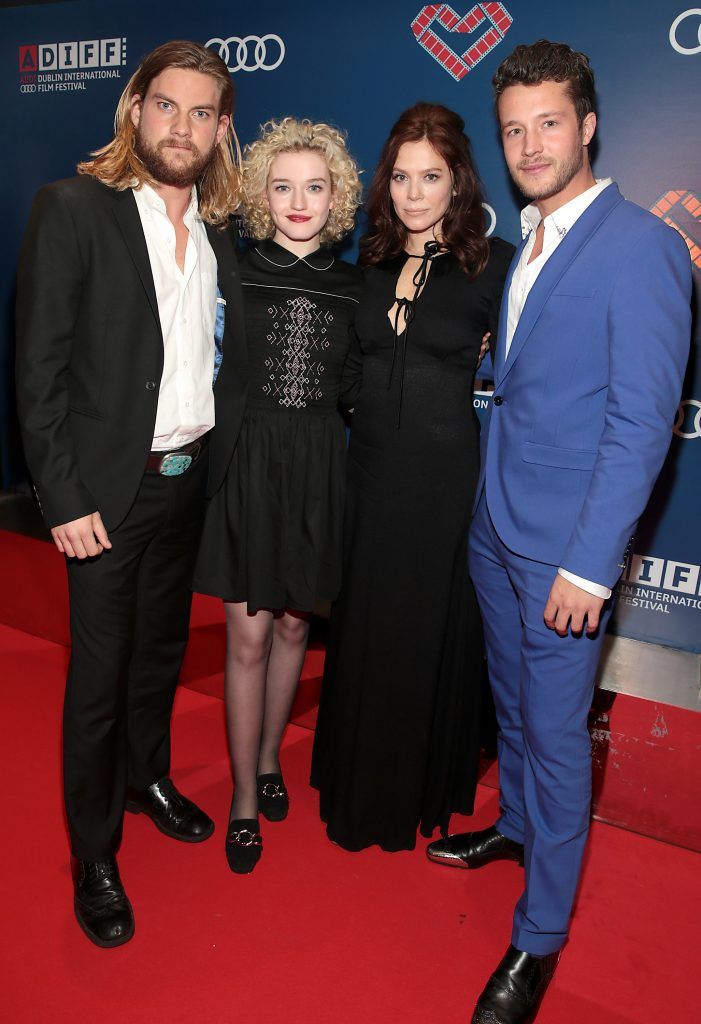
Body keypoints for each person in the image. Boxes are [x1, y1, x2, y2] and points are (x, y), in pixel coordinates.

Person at [426, 41, 691, 1024]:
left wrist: (589, 563)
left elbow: (637, 424)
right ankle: (517, 827)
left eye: (548, 123)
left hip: (564, 555)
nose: (529, 144)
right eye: (512, 129)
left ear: (585, 125)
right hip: (496, 533)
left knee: (552, 730)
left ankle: (536, 940)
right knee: (511, 709)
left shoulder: (642, 247)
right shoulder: (528, 239)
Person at [15, 40, 247, 947]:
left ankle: (148, 778)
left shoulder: (222, 234)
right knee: (99, 681)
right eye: (166, 107)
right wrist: (64, 498)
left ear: (222, 130)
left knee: (157, 656)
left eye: (201, 113)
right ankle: (94, 851)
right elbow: (37, 370)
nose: (181, 127)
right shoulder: (74, 209)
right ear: (135, 110)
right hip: (104, 497)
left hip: (189, 483)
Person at [311, 103, 515, 852]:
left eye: (430, 176)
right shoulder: (365, 263)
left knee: (424, 629)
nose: (414, 193)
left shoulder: (494, 265)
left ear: (458, 181)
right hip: (367, 473)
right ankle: (355, 777)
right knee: (365, 625)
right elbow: (342, 369)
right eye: (400, 176)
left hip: (442, 483)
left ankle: (412, 786)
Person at [193, 118, 363, 873]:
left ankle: (268, 760)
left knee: (296, 631)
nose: (300, 201)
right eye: (283, 186)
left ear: (337, 196)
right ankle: (239, 797)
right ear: (262, 193)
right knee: (250, 637)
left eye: (315, 187)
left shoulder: (360, 284)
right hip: (249, 464)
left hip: (320, 468)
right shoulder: (231, 267)